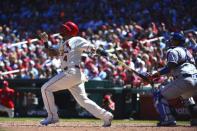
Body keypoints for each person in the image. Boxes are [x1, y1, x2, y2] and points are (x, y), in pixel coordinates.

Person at [39, 21, 113, 127]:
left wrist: (101, 51)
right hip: (73, 74)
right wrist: (46, 42)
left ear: (70, 31)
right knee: (83, 101)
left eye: (65, 29)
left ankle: (52, 117)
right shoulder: (63, 43)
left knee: (45, 89)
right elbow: (52, 53)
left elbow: (90, 47)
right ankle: (106, 116)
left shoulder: (76, 39)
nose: (62, 30)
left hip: (71, 72)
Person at [147, 32, 197, 126]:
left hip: (185, 80)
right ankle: (195, 120)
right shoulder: (188, 52)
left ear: (177, 41)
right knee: (187, 98)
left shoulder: (173, 51)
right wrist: (155, 75)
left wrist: (154, 75)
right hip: (194, 78)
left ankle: (168, 119)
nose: (170, 41)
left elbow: (170, 67)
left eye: (172, 40)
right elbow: (176, 69)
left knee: (159, 96)